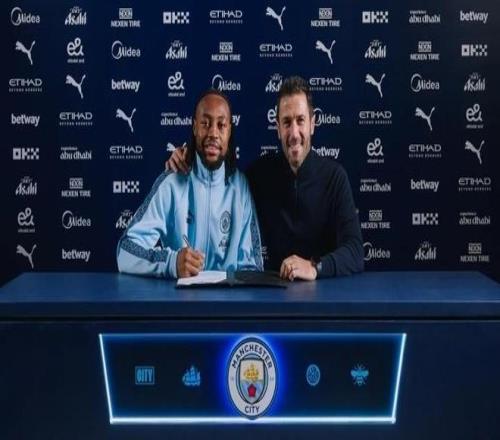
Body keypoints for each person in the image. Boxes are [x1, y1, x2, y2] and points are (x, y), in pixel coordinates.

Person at [166, 76, 363, 281]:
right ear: (277, 128)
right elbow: (219, 176)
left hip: (325, 294)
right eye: (286, 122)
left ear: (312, 124)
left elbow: (356, 251)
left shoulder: (335, 178)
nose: (294, 133)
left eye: (300, 121)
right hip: (273, 293)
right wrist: (188, 157)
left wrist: (314, 267)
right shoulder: (259, 175)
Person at [117, 89, 263, 278]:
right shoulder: (172, 182)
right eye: (205, 123)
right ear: (194, 128)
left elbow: (253, 267)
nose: (213, 133)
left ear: (229, 132)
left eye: (221, 125)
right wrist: (171, 262)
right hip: (180, 296)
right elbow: (125, 252)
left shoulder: (240, 187)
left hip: (227, 297)